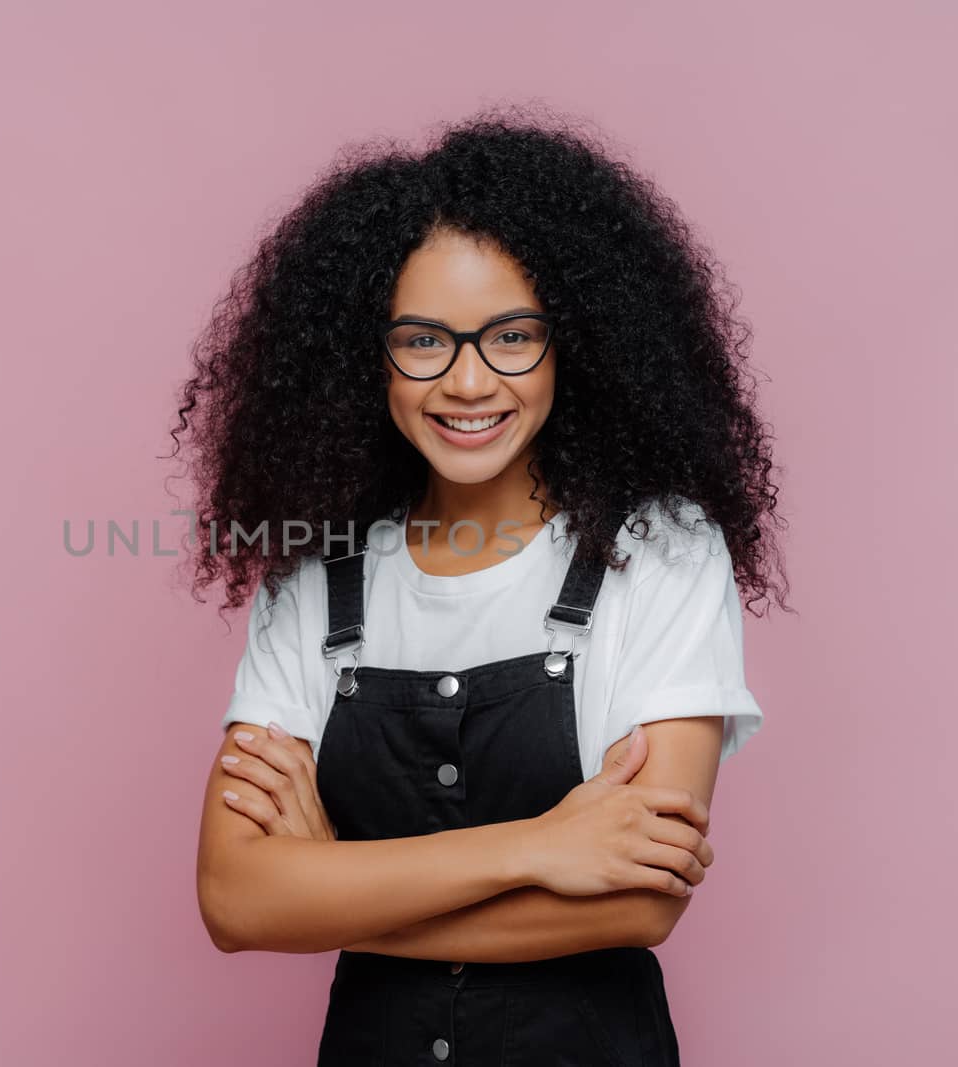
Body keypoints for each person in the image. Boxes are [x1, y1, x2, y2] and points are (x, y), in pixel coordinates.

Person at [171, 106, 789, 1066]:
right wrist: (539, 849)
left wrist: (331, 884)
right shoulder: (314, 571)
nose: (467, 382)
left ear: (573, 341)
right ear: (365, 354)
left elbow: (641, 898)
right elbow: (233, 899)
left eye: (510, 336)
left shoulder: (660, 552)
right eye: (423, 340)